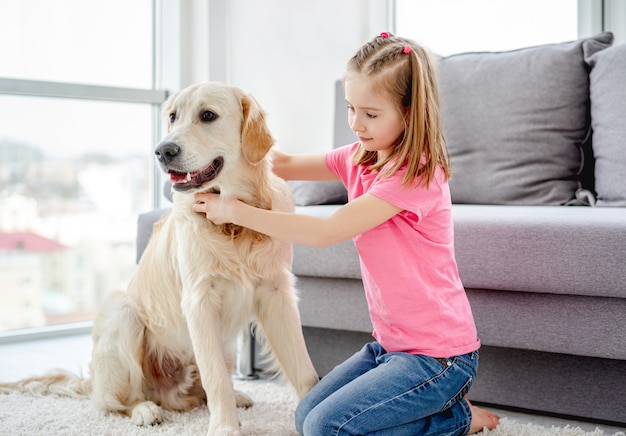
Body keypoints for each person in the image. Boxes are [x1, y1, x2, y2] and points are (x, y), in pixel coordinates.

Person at [193, 32, 499, 435]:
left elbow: (325, 231)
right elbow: (280, 162)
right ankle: (435, 408)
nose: (356, 124)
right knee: (306, 417)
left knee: (327, 429)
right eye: (351, 108)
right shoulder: (359, 157)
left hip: (440, 359)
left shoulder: (414, 175)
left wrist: (235, 211)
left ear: (409, 111)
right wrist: (211, 145)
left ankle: (455, 418)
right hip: (390, 349)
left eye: (371, 114)